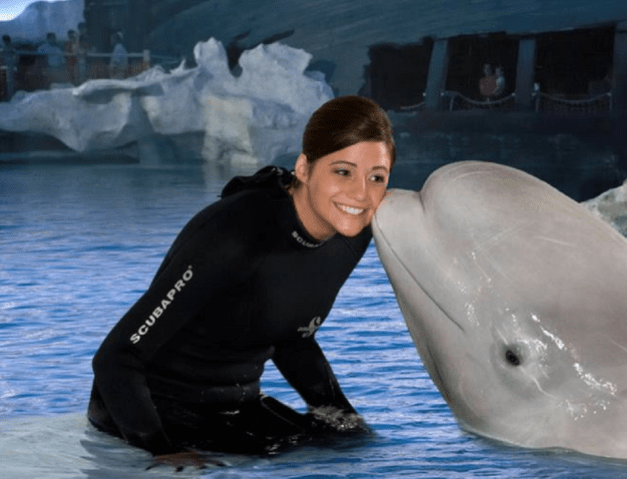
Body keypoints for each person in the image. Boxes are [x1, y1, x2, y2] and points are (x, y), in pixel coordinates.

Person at [88, 95, 396, 469]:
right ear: (304, 168)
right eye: (343, 172)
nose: (361, 194)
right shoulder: (235, 233)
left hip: (235, 405)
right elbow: (116, 357)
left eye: (376, 177)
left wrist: (341, 415)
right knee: (291, 457)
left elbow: (292, 338)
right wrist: (162, 449)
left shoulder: (352, 233)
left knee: (354, 446)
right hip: (150, 408)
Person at [0, 34, 16, 99]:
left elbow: (14, 57)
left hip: (10, 67)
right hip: (4, 67)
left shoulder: (11, 48)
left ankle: (10, 96)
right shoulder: (3, 48)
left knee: (9, 81)